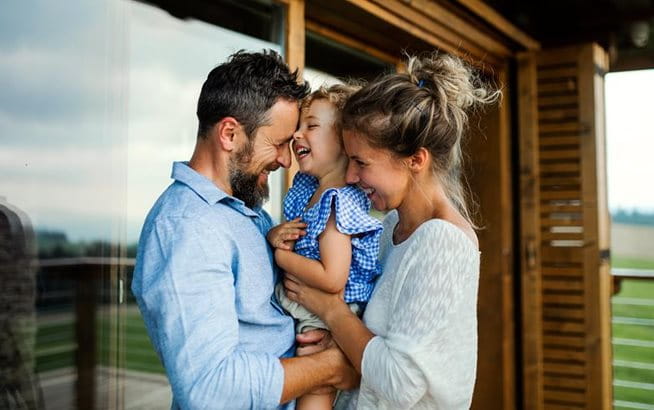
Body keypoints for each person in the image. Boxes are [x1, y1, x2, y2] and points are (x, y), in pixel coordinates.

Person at [131, 50, 359, 410]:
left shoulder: (246, 213)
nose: (286, 160)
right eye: (278, 142)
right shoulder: (188, 229)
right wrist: (330, 367)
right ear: (230, 134)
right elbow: (211, 389)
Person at [283, 53, 500, 409]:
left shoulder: (443, 243)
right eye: (349, 160)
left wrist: (330, 310)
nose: (350, 177)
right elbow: (368, 346)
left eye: (361, 163)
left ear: (416, 160)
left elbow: (400, 383)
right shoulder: (388, 230)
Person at [267, 85, 383, 410]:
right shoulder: (310, 192)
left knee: (314, 391)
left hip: (325, 315)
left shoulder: (336, 203)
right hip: (310, 306)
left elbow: (333, 278)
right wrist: (277, 234)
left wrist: (281, 256)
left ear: (343, 142)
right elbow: (297, 235)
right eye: (298, 126)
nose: (297, 135)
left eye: (311, 126)